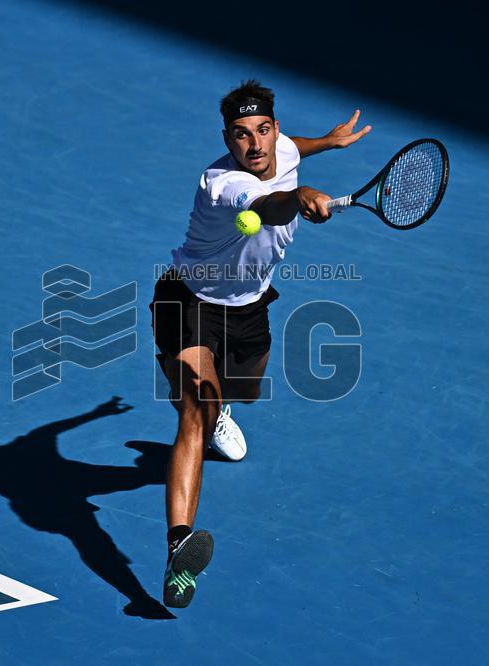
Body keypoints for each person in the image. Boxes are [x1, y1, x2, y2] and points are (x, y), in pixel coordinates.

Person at [149, 80, 372, 608]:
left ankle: (220, 409)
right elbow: (270, 206)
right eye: (241, 135)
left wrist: (329, 141)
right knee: (193, 415)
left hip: (249, 305)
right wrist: (300, 197)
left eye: (263, 131)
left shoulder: (284, 146)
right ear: (227, 140)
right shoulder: (223, 184)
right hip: (189, 301)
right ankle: (179, 550)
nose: (255, 145)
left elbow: (294, 148)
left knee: (242, 391)